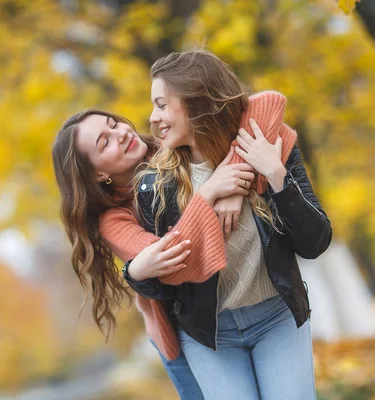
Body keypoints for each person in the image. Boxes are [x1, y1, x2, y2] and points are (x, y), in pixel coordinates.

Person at [126, 50, 332, 399]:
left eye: (162, 105)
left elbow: (316, 242)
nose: (153, 118)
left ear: (196, 101)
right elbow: (167, 285)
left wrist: (276, 175)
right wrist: (206, 196)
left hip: (276, 319)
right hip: (210, 336)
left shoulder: (268, 145)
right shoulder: (155, 185)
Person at [51, 98, 289, 398]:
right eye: (105, 142)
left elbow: (265, 103)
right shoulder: (114, 219)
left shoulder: (177, 148)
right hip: (184, 335)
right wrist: (211, 191)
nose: (121, 133)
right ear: (99, 175)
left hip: (257, 305)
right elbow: (175, 254)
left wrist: (235, 183)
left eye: (114, 124)